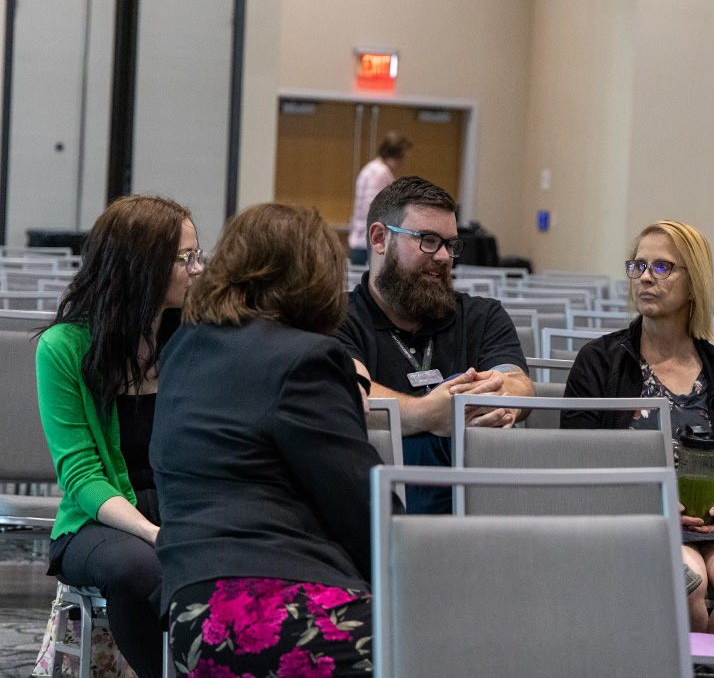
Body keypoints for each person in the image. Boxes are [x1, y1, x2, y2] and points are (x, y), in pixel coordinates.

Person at [151, 202, 393, 676]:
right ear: (313, 278)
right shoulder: (306, 359)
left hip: (192, 611)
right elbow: (363, 506)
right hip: (285, 601)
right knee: (469, 637)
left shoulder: (183, 347)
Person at [560, 220, 714, 635]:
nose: (645, 277)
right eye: (638, 266)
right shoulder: (599, 362)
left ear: (694, 282)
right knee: (687, 583)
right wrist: (657, 506)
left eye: (662, 267)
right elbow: (577, 460)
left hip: (712, 526)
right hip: (636, 518)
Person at [36, 195, 201, 678]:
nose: (198, 269)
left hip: (180, 505)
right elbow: (81, 475)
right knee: (139, 569)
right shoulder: (64, 348)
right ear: (142, 266)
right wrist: (153, 533)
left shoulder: (193, 338)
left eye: (198, 254)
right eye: (186, 257)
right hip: (97, 519)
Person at [337, 176, 535, 515]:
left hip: (474, 508)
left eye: (451, 244)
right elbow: (341, 394)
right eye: (428, 241)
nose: (444, 256)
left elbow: (517, 383)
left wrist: (493, 403)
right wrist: (430, 413)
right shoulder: (337, 317)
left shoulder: (482, 315)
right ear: (380, 238)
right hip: (369, 504)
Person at [348, 131, 412, 266]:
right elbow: (374, 210)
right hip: (368, 244)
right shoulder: (380, 172)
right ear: (396, 155)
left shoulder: (370, 168)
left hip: (361, 241)